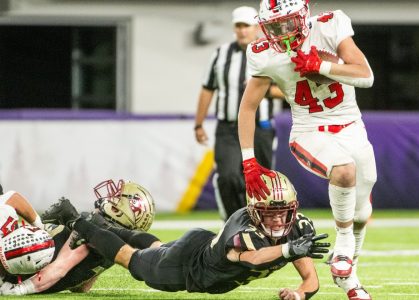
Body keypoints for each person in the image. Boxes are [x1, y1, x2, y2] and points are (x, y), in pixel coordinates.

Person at [237, 1, 377, 299]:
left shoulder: (329, 26)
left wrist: (322, 66)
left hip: (351, 125)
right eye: (274, 26)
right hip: (309, 130)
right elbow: (247, 108)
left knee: (363, 213)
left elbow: (365, 76)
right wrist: (248, 160)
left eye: (287, 23)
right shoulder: (265, 53)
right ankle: (342, 247)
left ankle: (349, 279)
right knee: (343, 170)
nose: (282, 32)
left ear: (303, 16)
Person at [41, 171, 331, 299]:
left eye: (284, 211)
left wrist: (299, 294)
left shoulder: (298, 228)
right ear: (256, 210)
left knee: (156, 248)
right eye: (271, 211)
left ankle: (105, 227)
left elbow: (311, 280)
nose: (279, 219)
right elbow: (253, 258)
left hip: (197, 246)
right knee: (132, 259)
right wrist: (289, 250)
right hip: (188, 268)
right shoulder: (244, 226)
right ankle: (76, 218)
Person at [194, 6, 282, 220]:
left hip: (260, 126)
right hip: (228, 127)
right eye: (239, 26)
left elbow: (289, 89)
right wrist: (199, 124)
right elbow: (207, 88)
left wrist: (266, 91)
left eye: (247, 26)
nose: (242, 31)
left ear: (256, 28)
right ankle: (234, 221)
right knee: (228, 176)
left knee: (261, 180)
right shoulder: (221, 53)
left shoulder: (272, 52)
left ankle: (257, 221)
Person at [0, 179, 156, 295]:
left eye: (117, 197)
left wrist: (19, 289)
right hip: (21, 269)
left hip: (12, 271)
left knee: (7, 203)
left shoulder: (94, 226)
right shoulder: (113, 247)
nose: (110, 197)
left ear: (122, 211)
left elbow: (59, 269)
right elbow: (81, 287)